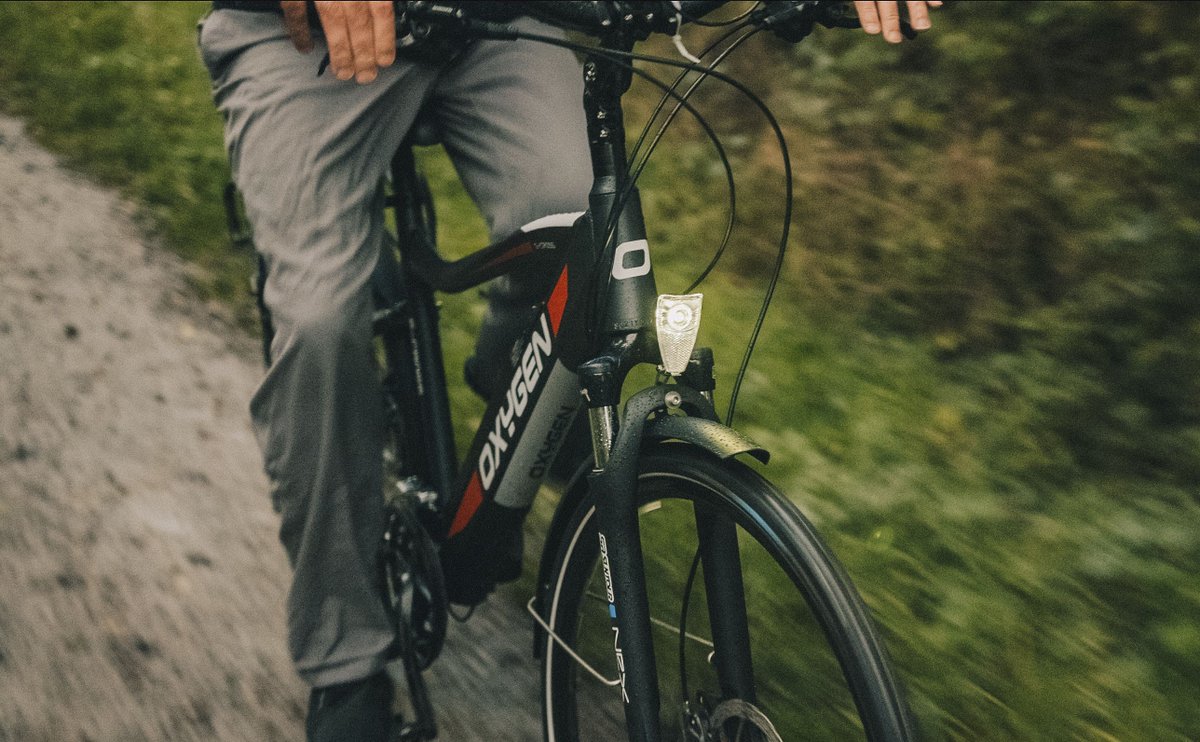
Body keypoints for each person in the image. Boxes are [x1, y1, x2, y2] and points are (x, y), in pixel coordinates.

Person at [197, 2, 939, 739]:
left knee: (582, 234)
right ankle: (343, 662)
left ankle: (514, 375)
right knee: (321, 324)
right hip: (311, 42)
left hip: (499, 24)